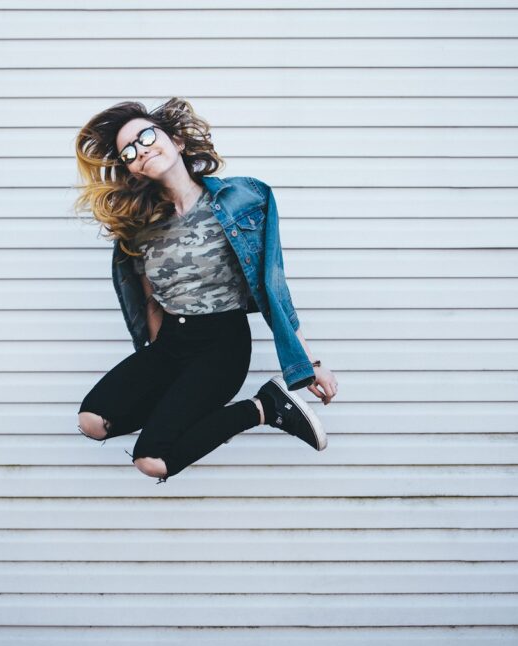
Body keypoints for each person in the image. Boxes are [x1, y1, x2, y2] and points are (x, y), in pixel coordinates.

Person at [73, 97, 339, 484]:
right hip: (170, 344)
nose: (140, 150)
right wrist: (153, 363)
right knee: (93, 421)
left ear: (177, 141)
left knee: (152, 461)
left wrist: (307, 364)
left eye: (146, 136)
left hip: (222, 346)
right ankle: (192, 409)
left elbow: (273, 287)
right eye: (128, 152)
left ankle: (264, 407)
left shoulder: (243, 200)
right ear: (131, 170)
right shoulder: (138, 227)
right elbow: (147, 299)